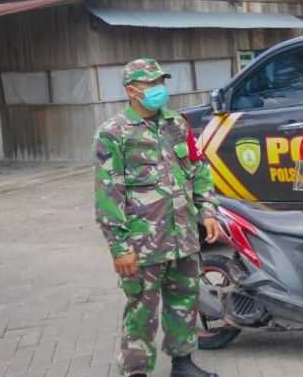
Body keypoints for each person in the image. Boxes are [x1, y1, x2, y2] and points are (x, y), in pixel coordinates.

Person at [93, 58, 221, 377]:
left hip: (184, 237)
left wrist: (207, 211)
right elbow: (108, 196)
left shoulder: (177, 124)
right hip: (144, 243)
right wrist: (120, 247)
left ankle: (183, 363)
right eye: (150, 84)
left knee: (184, 302)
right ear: (131, 91)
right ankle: (136, 371)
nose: (158, 89)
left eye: (160, 82)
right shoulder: (113, 134)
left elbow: (199, 169)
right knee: (141, 311)